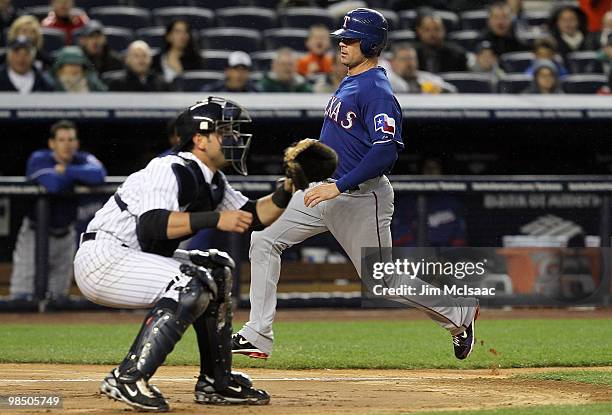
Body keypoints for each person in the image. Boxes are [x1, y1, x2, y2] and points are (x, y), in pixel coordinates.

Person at [233, 8, 479, 361]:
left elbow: (386, 152)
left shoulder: (377, 90)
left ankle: (460, 314)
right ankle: (257, 333)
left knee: (384, 282)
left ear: (371, 43)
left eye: (350, 39)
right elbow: (340, 142)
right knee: (264, 239)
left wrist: (340, 185)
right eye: (342, 39)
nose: (342, 45)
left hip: (361, 198)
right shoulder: (350, 80)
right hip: (321, 191)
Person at [73, 96, 296, 411]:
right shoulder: (170, 167)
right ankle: (128, 377)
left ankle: (216, 382)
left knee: (218, 269)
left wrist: (288, 188)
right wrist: (217, 219)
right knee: (190, 283)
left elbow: (253, 215)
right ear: (200, 140)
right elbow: (152, 226)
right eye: (225, 131)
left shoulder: (211, 179)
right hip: (104, 258)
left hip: (133, 257)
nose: (234, 138)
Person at [10, 120, 106, 302]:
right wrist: (76, 175)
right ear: (52, 143)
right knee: (22, 295)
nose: (67, 144)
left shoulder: (83, 158)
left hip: (66, 235)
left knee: (57, 297)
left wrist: (65, 170)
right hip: (35, 234)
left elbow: (98, 174)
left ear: (77, 143)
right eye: (61, 140)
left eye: (71, 140)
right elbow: (52, 184)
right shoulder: (39, 158)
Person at [387, 42, 457, 93]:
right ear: (393, 63)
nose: (409, 63)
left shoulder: (427, 78)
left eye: (412, 58)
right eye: (404, 59)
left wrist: (440, 90)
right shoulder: (387, 82)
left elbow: (452, 90)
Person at [152, 19, 204, 84]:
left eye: (185, 32)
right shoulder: (156, 59)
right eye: (178, 32)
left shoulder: (195, 60)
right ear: (168, 36)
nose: (182, 36)